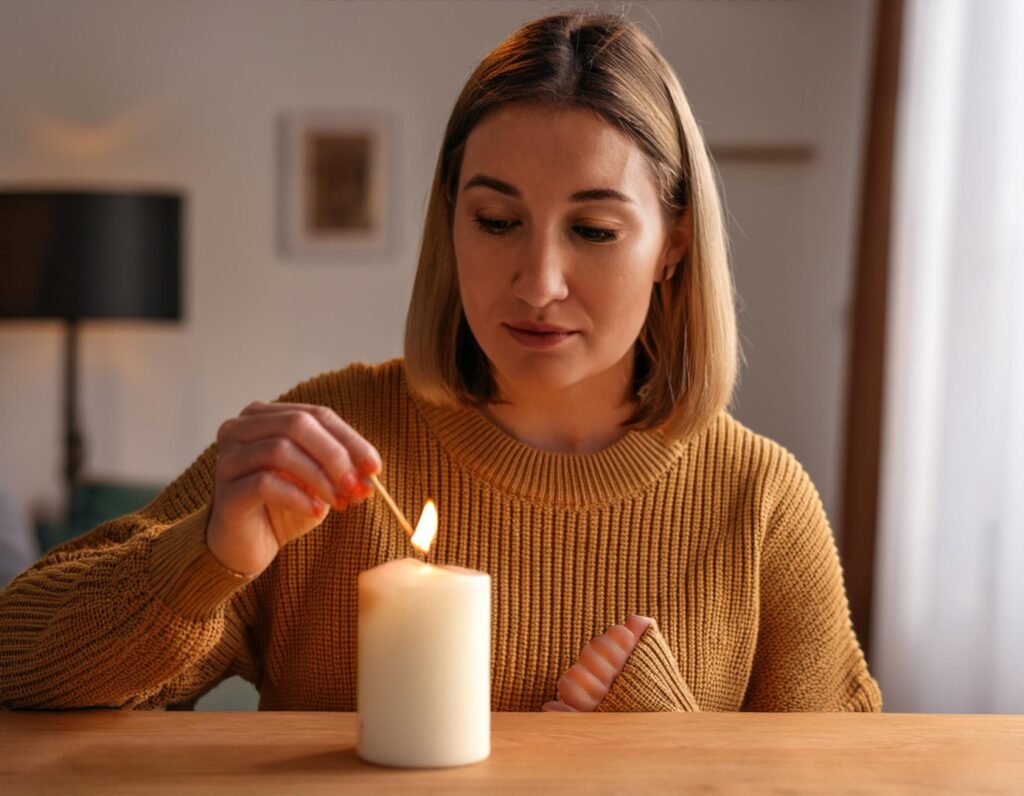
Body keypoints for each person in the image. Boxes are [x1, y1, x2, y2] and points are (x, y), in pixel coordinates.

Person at [0, 10, 882, 713]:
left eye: (594, 230)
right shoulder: (325, 450)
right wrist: (207, 555)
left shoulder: (759, 503)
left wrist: (658, 753)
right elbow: (16, 660)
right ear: (449, 221)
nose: (536, 284)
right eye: (496, 222)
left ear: (673, 248)